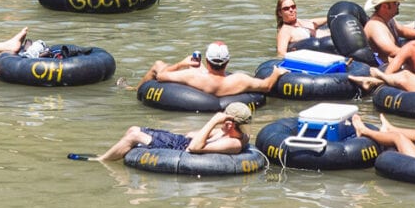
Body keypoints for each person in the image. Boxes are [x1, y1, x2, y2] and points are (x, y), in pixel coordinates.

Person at [91, 102, 253, 162]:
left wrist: (213, 121)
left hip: (180, 150)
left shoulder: (233, 142)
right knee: (133, 128)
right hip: (180, 141)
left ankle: (102, 160)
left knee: (134, 136)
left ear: (230, 124)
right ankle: (113, 155)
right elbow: (191, 135)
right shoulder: (233, 133)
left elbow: (194, 148)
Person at [138, 41, 288, 97]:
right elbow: (267, 86)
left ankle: (134, 89)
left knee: (158, 64)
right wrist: (276, 73)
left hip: (204, 83)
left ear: (207, 61)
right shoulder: (240, 80)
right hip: (221, 85)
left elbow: (161, 76)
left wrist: (181, 64)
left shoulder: (192, 76)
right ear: (227, 61)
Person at [363, 0, 415, 64]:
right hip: (384, 67)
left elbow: (403, 31)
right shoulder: (376, 27)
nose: (398, 4)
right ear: (385, 6)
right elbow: (392, 51)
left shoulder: (388, 19)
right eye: (396, 3)